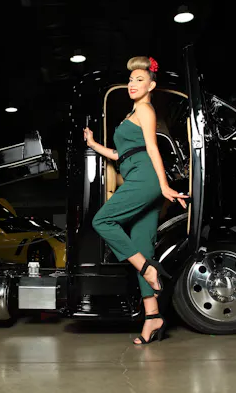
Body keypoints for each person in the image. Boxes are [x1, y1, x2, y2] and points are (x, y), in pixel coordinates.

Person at [83, 56, 189, 345]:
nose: (132, 84)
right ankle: (153, 318)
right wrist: (93, 144)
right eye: (130, 80)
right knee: (142, 246)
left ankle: (147, 268)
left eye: (139, 80)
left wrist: (164, 186)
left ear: (151, 85)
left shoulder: (144, 109)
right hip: (137, 176)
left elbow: (153, 148)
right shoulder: (132, 113)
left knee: (102, 220)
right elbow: (120, 155)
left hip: (146, 178)